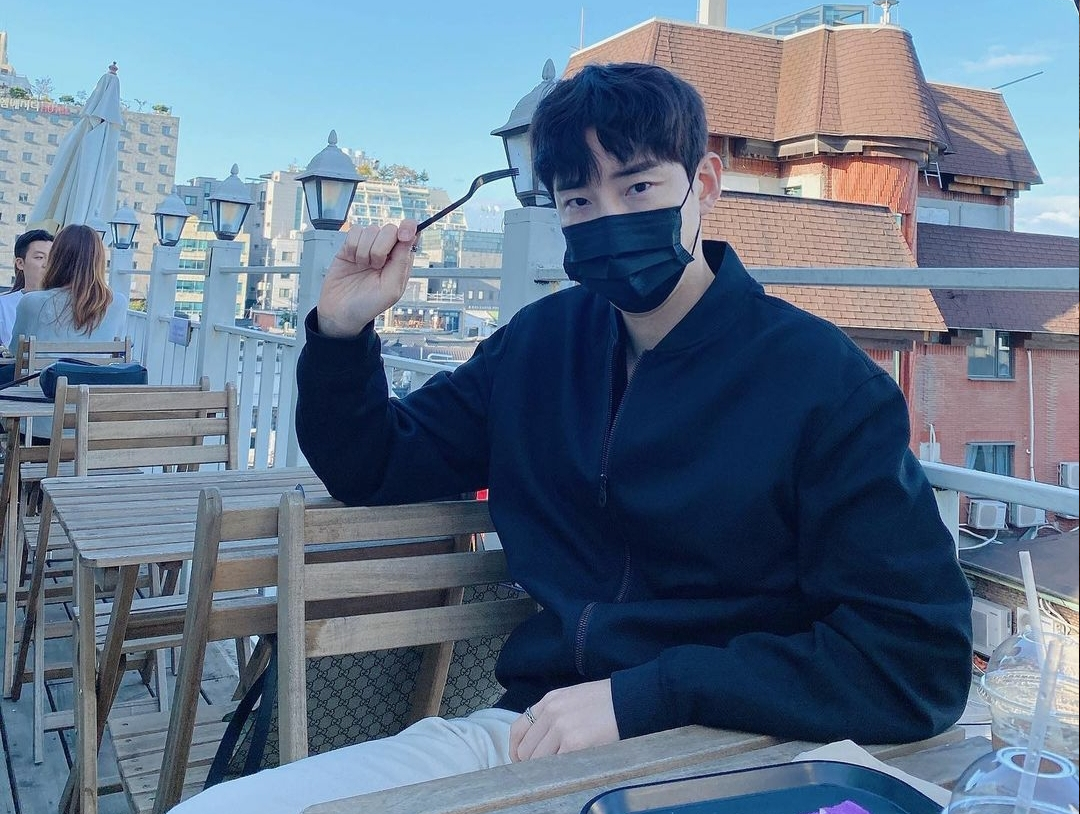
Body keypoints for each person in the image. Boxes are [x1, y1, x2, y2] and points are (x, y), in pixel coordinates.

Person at [172, 62, 972, 813]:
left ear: (704, 185)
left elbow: (913, 660)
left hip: (750, 751)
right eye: (579, 201)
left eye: (639, 186)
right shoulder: (539, 346)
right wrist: (341, 332)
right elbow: (377, 464)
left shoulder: (822, 385)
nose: (610, 216)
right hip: (536, 735)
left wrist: (646, 695)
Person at [7, 223, 128, 354]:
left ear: (56, 258)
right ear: (99, 260)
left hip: (44, 374)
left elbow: (16, 353)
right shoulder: (117, 303)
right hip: (98, 374)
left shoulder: (31, 302)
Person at [0, 229, 54, 350]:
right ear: (20, 263)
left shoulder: (67, 304)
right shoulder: (3, 305)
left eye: (53, 258)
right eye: (39, 257)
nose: (47, 264)